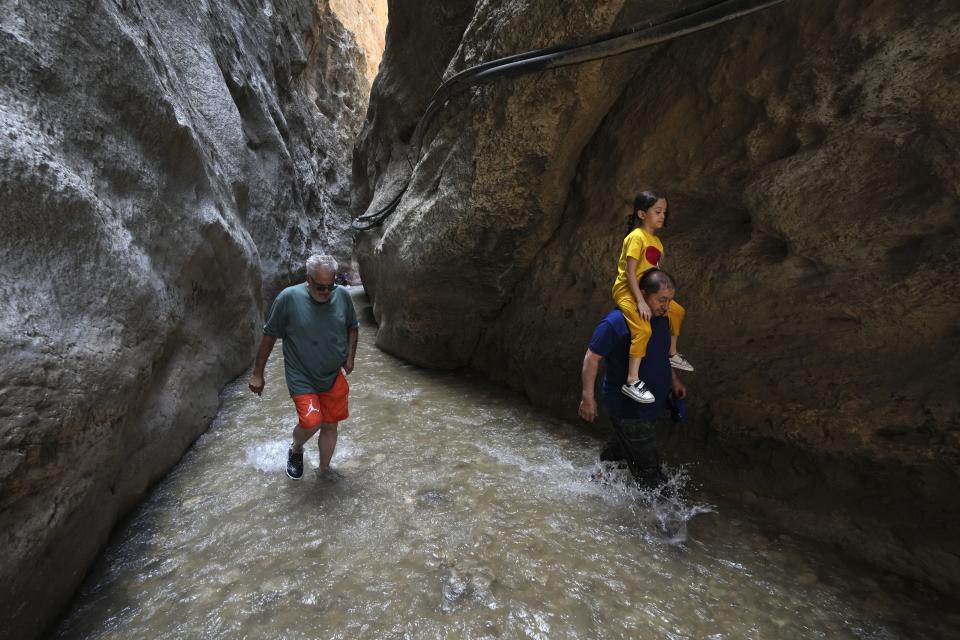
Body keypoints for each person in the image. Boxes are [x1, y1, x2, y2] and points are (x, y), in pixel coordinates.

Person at [248, 254, 359, 479]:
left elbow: (352, 327)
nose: (327, 292)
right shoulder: (288, 298)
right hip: (302, 375)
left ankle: (324, 470)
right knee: (312, 421)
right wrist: (258, 374)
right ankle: (296, 448)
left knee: (330, 425)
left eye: (331, 286)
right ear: (308, 279)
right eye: (320, 287)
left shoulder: (342, 297)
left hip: (332, 374)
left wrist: (350, 357)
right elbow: (269, 335)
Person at [580, 269, 688, 486]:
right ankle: (663, 516)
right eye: (661, 300)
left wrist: (673, 380)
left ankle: (590, 488)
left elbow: (661, 353)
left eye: (669, 300)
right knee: (652, 477)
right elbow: (592, 358)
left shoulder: (660, 319)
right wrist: (587, 398)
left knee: (616, 457)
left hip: (651, 404)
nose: (666, 306)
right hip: (629, 409)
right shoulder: (616, 322)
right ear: (642, 293)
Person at [611, 191, 694, 404]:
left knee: (677, 311)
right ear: (641, 213)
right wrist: (640, 301)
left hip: (647, 290)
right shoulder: (636, 237)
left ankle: (672, 352)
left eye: (664, 212)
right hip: (627, 290)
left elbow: (654, 273)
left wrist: (660, 297)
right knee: (643, 328)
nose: (662, 216)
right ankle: (632, 381)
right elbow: (630, 273)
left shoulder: (656, 242)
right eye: (657, 212)